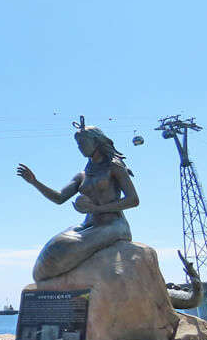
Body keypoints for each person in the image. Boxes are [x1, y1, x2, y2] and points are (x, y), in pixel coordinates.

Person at [17, 117, 138, 281]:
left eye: (83, 143)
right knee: (52, 249)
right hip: (89, 225)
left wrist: (96, 209)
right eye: (78, 144)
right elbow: (59, 198)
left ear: (96, 142)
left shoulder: (114, 166)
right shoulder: (83, 175)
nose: (80, 148)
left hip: (114, 224)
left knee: (64, 249)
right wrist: (35, 182)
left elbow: (133, 200)